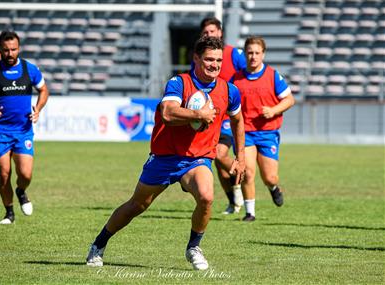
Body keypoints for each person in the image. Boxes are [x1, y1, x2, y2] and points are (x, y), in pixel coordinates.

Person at [86, 36, 245, 270]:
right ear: (196, 59)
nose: (215, 65)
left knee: (206, 196)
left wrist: (240, 157)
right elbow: (169, 114)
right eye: (209, 59)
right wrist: (199, 115)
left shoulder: (229, 90)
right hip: (164, 157)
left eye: (219, 60)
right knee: (137, 206)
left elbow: (238, 120)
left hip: (197, 159)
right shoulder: (178, 83)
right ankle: (98, 244)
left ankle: (194, 247)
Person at [0, 30, 49, 224]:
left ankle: (21, 191)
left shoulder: (29, 69)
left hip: (23, 130)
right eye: (6, 50)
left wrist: (38, 109)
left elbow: (43, 90)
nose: (10, 53)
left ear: (19, 48)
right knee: (4, 173)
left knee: (25, 174)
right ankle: (9, 212)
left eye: (14, 49)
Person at [232, 35, 295, 222]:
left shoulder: (272, 75)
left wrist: (274, 110)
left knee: (270, 177)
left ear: (263, 54)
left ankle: (273, 188)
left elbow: (289, 99)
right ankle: (250, 212)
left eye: (257, 53)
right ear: (245, 55)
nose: (253, 56)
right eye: (250, 53)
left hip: (268, 133)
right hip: (246, 133)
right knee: (247, 172)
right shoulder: (236, 79)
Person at [200, 17, 247, 215]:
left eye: (212, 31)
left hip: (227, 115)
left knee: (220, 154)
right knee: (217, 162)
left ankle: (241, 173)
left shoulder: (233, 54)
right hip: (208, 115)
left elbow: (251, 71)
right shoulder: (201, 55)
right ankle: (233, 200)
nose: (209, 35)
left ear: (220, 32)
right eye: (206, 32)